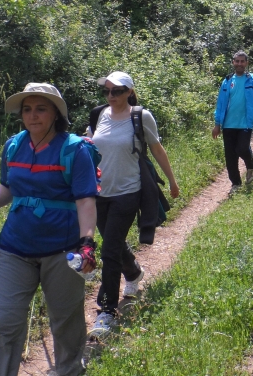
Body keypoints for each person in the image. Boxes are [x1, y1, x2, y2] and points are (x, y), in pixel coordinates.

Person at [0, 83, 98, 376]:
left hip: (63, 250)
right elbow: (8, 187)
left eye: (41, 108)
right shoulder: (14, 146)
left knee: (66, 322)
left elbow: (85, 200)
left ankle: (69, 372)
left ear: (55, 114)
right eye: (27, 109)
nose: (32, 115)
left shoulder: (74, 149)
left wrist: (87, 241)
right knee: (3, 323)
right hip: (14, 248)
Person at [88, 71, 180, 337]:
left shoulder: (140, 116)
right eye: (107, 91)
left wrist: (172, 181)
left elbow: (157, 149)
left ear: (129, 91)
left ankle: (106, 311)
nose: (110, 96)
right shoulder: (98, 115)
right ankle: (134, 273)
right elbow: (90, 148)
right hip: (99, 192)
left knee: (109, 250)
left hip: (128, 192)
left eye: (116, 91)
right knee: (113, 244)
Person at [212, 51, 253, 194]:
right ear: (233, 62)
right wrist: (217, 124)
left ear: (247, 63)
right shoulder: (227, 81)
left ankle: (251, 165)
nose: (240, 64)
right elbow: (220, 103)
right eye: (237, 61)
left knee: (242, 148)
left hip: (245, 123)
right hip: (228, 124)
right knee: (230, 156)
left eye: (242, 61)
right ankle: (236, 184)